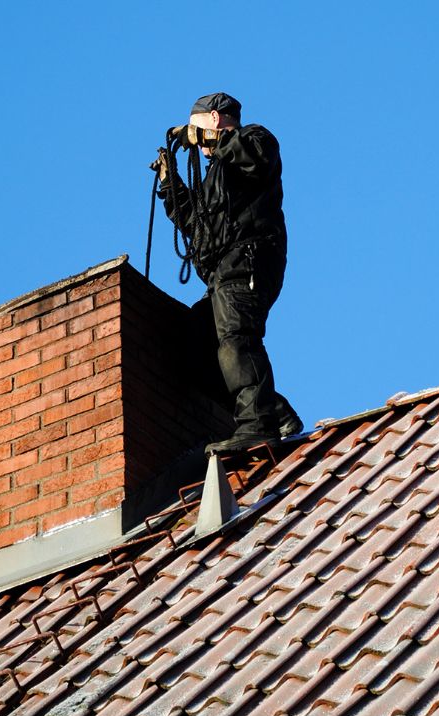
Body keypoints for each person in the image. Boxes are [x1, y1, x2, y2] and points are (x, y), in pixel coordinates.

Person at [154, 92, 303, 454]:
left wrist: (203, 138)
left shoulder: (256, 139)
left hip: (249, 258)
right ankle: (274, 412)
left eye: (197, 129)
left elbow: (249, 157)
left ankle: (257, 425)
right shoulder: (215, 176)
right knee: (196, 348)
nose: (196, 144)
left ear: (216, 119)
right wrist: (170, 183)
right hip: (222, 271)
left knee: (237, 337)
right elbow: (197, 224)